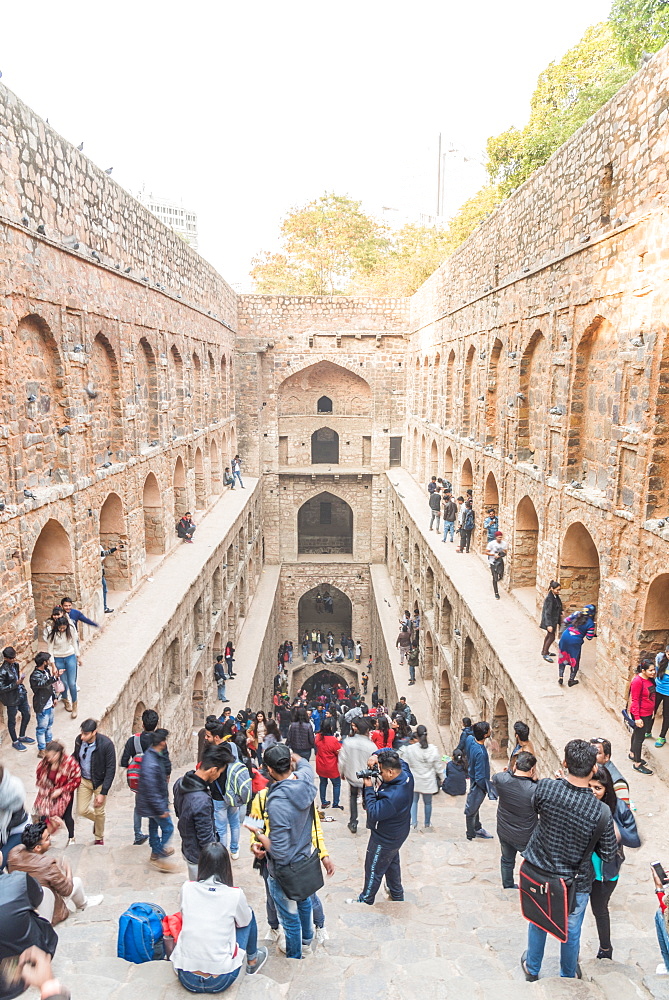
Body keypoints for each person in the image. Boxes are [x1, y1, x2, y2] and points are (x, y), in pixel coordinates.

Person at [520, 739, 617, 982]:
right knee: (572, 929)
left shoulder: (545, 788)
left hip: (539, 870)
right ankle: (566, 975)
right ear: (594, 769)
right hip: (574, 881)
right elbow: (607, 854)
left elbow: (534, 809)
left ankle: (532, 968)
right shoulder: (600, 812)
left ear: (564, 763)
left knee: (538, 918)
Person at [170, 842, 268, 991]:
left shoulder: (187, 888)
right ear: (226, 867)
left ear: (202, 864)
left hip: (186, 976)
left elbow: (184, 914)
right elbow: (244, 922)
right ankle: (253, 961)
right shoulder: (235, 894)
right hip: (220, 979)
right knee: (248, 914)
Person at [253, 745, 317, 960]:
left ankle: (295, 958)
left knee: (289, 918)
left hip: (285, 867)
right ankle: (307, 941)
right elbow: (306, 763)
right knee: (305, 901)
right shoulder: (306, 780)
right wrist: (294, 756)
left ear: (269, 769)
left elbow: (279, 850)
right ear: (290, 763)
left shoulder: (278, 802)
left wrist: (259, 835)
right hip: (304, 858)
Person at [348, 748, 414, 904]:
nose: (380, 774)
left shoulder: (394, 796)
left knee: (373, 868)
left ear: (390, 772)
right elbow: (391, 751)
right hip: (398, 831)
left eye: (382, 772)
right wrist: (375, 755)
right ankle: (397, 894)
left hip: (385, 837)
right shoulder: (404, 772)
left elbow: (373, 812)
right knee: (391, 862)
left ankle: (365, 899)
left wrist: (369, 786)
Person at [588, 765, 640, 959]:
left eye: (598, 788)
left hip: (606, 872)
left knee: (599, 909)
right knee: (573, 910)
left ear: (606, 789)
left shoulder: (618, 808)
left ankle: (606, 948)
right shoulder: (584, 802)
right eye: (590, 786)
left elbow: (634, 838)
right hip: (584, 869)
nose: (593, 792)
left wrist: (618, 831)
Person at [8, 821, 103, 924]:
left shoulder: (14, 855)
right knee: (77, 881)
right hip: (48, 911)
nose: (50, 840)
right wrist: (68, 870)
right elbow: (67, 890)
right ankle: (83, 904)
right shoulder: (46, 864)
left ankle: (84, 903)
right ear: (38, 847)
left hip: (25, 905)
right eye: (47, 839)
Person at [173, 744, 231, 880]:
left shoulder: (180, 782)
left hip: (188, 846)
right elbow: (206, 839)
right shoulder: (202, 800)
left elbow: (178, 811)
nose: (218, 776)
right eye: (219, 773)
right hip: (199, 857)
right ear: (213, 770)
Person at [491, 751, 537, 888]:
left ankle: (508, 885)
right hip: (525, 835)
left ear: (515, 765)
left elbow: (496, 777)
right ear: (532, 769)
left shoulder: (501, 779)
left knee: (506, 860)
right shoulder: (534, 789)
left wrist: (509, 773)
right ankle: (529, 888)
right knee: (532, 864)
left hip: (504, 831)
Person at [135, 729, 176, 872]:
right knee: (168, 828)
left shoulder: (151, 755)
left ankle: (155, 852)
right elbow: (152, 788)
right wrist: (161, 809)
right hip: (154, 803)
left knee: (153, 825)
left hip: (149, 803)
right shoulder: (151, 762)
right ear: (162, 742)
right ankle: (159, 855)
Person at [72, 719, 116, 846]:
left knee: (99, 810)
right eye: (82, 733)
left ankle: (99, 837)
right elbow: (75, 756)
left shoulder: (106, 745)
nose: (82, 736)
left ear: (94, 732)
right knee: (81, 810)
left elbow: (111, 769)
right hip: (84, 780)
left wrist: (103, 792)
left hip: (99, 782)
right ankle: (98, 822)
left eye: (86, 734)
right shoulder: (79, 741)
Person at [208, 745, 252, 862]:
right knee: (234, 824)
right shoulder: (235, 759)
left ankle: (223, 855)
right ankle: (234, 850)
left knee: (221, 828)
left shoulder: (217, 762)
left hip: (218, 798)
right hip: (233, 799)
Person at [33, 743, 81, 847]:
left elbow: (76, 780)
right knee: (43, 814)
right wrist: (47, 789)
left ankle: (71, 837)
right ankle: (46, 837)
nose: (49, 759)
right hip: (48, 792)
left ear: (58, 754)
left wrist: (61, 790)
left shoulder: (70, 763)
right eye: (48, 756)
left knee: (67, 816)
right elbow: (39, 776)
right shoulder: (44, 764)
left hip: (65, 794)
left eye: (52, 756)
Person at [400, 726, 443, 831]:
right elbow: (438, 766)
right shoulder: (433, 750)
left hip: (415, 779)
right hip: (428, 781)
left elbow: (405, 762)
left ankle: (413, 823)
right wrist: (442, 777)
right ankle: (427, 823)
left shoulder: (410, 749)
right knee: (428, 803)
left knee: (413, 801)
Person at [338, 717, 376, 834]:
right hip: (367, 778)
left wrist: (342, 772)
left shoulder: (348, 742)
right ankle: (371, 822)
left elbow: (342, 759)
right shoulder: (372, 746)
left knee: (353, 797)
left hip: (353, 776)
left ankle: (353, 821)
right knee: (369, 798)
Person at [0, 646, 34, 751]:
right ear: (6, 658)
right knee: (12, 721)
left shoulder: (15, 665)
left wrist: (20, 684)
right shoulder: (2, 671)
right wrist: (16, 684)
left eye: (14, 657)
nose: (14, 660)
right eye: (11, 658)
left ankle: (22, 735)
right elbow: (1, 688)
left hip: (20, 694)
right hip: (11, 699)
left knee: (27, 714)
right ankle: (15, 741)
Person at [46, 617, 81, 718]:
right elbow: (50, 650)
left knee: (72, 683)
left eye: (63, 628)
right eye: (60, 628)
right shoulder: (53, 634)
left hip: (70, 656)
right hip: (58, 658)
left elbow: (74, 643)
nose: (62, 630)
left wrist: (78, 656)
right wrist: (53, 665)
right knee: (63, 683)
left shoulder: (70, 630)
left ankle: (75, 705)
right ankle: (66, 700)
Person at [464, 721, 493, 840]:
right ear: (485, 735)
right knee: (471, 808)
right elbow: (480, 777)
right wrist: (488, 788)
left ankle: (477, 827)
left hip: (472, 777)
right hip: (478, 783)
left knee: (475, 805)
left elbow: (470, 733)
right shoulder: (481, 753)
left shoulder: (471, 740)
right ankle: (471, 833)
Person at [558, 604, 596, 687]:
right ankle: (571, 680)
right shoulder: (590, 623)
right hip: (575, 642)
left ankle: (561, 676)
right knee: (574, 658)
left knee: (563, 656)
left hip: (565, 636)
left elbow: (566, 620)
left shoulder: (576, 614)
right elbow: (589, 637)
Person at [629, 658, 656, 774]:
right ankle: (637, 763)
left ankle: (632, 753)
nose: (653, 672)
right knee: (639, 738)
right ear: (643, 671)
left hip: (647, 712)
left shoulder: (649, 680)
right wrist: (637, 718)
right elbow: (634, 700)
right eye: (650, 670)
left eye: (654, 669)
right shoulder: (637, 681)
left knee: (637, 734)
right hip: (641, 714)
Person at [0, 766, 30, 869]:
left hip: (17, 829)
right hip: (3, 830)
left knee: (2, 861)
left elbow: (14, 820)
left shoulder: (13, 791)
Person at [29, 654, 58, 757]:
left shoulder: (46, 671)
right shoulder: (35, 676)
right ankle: (42, 749)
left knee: (49, 726)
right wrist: (54, 678)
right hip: (42, 705)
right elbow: (44, 684)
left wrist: (54, 697)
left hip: (49, 704)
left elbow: (51, 686)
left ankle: (48, 742)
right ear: (44, 662)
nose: (49, 662)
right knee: (41, 728)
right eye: (47, 660)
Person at [589, 737, 630, 805]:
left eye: (597, 752)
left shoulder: (618, 784)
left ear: (606, 757)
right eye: (590, 751)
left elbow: (623, 810)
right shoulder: (590, 771)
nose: (591, 755)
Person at [540, 581, 563, 662]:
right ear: (552, 589)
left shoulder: (555, 596)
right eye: (557, 589)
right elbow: (547, 612)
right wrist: (549, 625)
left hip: (554, 619)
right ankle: (545, 654)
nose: (558, 591)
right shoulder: (550, 599)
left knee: (549, 636)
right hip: (550, 621)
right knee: (552, 637)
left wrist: (561, 611)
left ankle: (544, 651)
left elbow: (559, 605)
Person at [654, 645, 669, 748]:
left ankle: (662, 736)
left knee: (666, 715)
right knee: (651, 710)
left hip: (668, 693)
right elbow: (655, 671)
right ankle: (647, 731)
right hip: (657, 689)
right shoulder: (659, 657)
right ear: (666, 652)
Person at [486, 531, 507, 599]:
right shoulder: (491, 544)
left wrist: (501, 554)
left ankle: (499, 577)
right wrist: (493, 555)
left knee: (501, 575)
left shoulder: (504, 544)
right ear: (496, 537)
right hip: (493, 562)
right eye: (499, 537)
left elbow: (505, 551)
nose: (500, 538)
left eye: (501, 537)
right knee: (495, 577)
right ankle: (496, 593)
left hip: (500, 561)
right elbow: (486, 552)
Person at [99, 545, 117, 614]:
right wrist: (115, 548)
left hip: (101, 574)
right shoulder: (98, 549)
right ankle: (104, 607)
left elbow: (104, 553)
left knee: (104, 589)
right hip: (100, 575)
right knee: (104, 590)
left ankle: (104, 607)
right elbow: (104, 553)